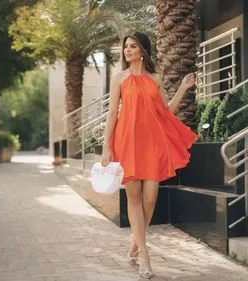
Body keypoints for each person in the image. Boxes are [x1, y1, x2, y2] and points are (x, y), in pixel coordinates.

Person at [101, 32, 197, 279]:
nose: (127, 50)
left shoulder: (155, 78)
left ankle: (134, 244)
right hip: (127, 140)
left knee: (151, 199)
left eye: (132, 46)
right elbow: (112, 113)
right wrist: (106, 146)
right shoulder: (119, 79)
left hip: (152, 142)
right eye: (125, 47)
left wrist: (184, 88)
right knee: (134, 198)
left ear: (143, 50)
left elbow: (166, 112)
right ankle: (144, 255)